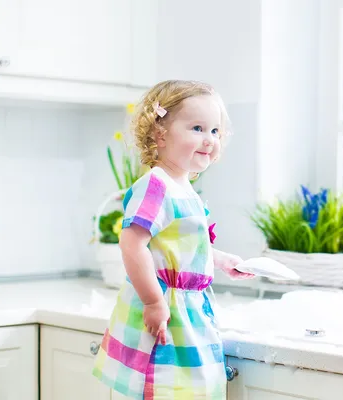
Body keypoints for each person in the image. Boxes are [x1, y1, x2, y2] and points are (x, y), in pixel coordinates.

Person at [92, 80, 253, 399]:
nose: (209, 140)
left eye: (215, 131)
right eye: (197, 128)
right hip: (168, 310)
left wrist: (219, 260)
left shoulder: (184, 187)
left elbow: (180, 247)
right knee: (167, 388)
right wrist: (153, 301)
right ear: (159, 133)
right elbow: (132, 243)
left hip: (190, 310)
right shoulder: (156, 185)